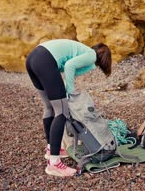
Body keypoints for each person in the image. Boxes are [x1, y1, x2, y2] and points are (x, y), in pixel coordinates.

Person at [25, 39, 111, 177]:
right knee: (62, 112)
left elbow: (65, 68)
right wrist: (70, 91)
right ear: (105, 58)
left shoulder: (80, 50)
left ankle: (52, 149)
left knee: (49, 108)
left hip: (33, 57)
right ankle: (54, 164)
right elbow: (70, 66)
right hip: (45, 60)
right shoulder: (91, 55)